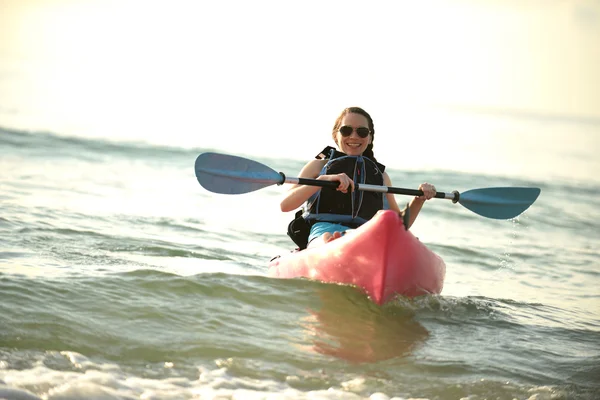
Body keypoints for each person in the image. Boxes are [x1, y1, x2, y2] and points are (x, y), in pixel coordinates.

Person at [280, 106, 436, 248]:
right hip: (324, 230)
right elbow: (285, 205)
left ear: (369, 138)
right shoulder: (318, 166)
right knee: (326, 237)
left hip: (364, 234)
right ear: (336, 135)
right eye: (346, 130)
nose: (354, 136)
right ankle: (333, 243)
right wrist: (322, 181)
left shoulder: (380, 176)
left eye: (361, 132)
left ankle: (347, 239)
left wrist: (419, 199)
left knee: (377, 237)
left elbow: (400, 224)